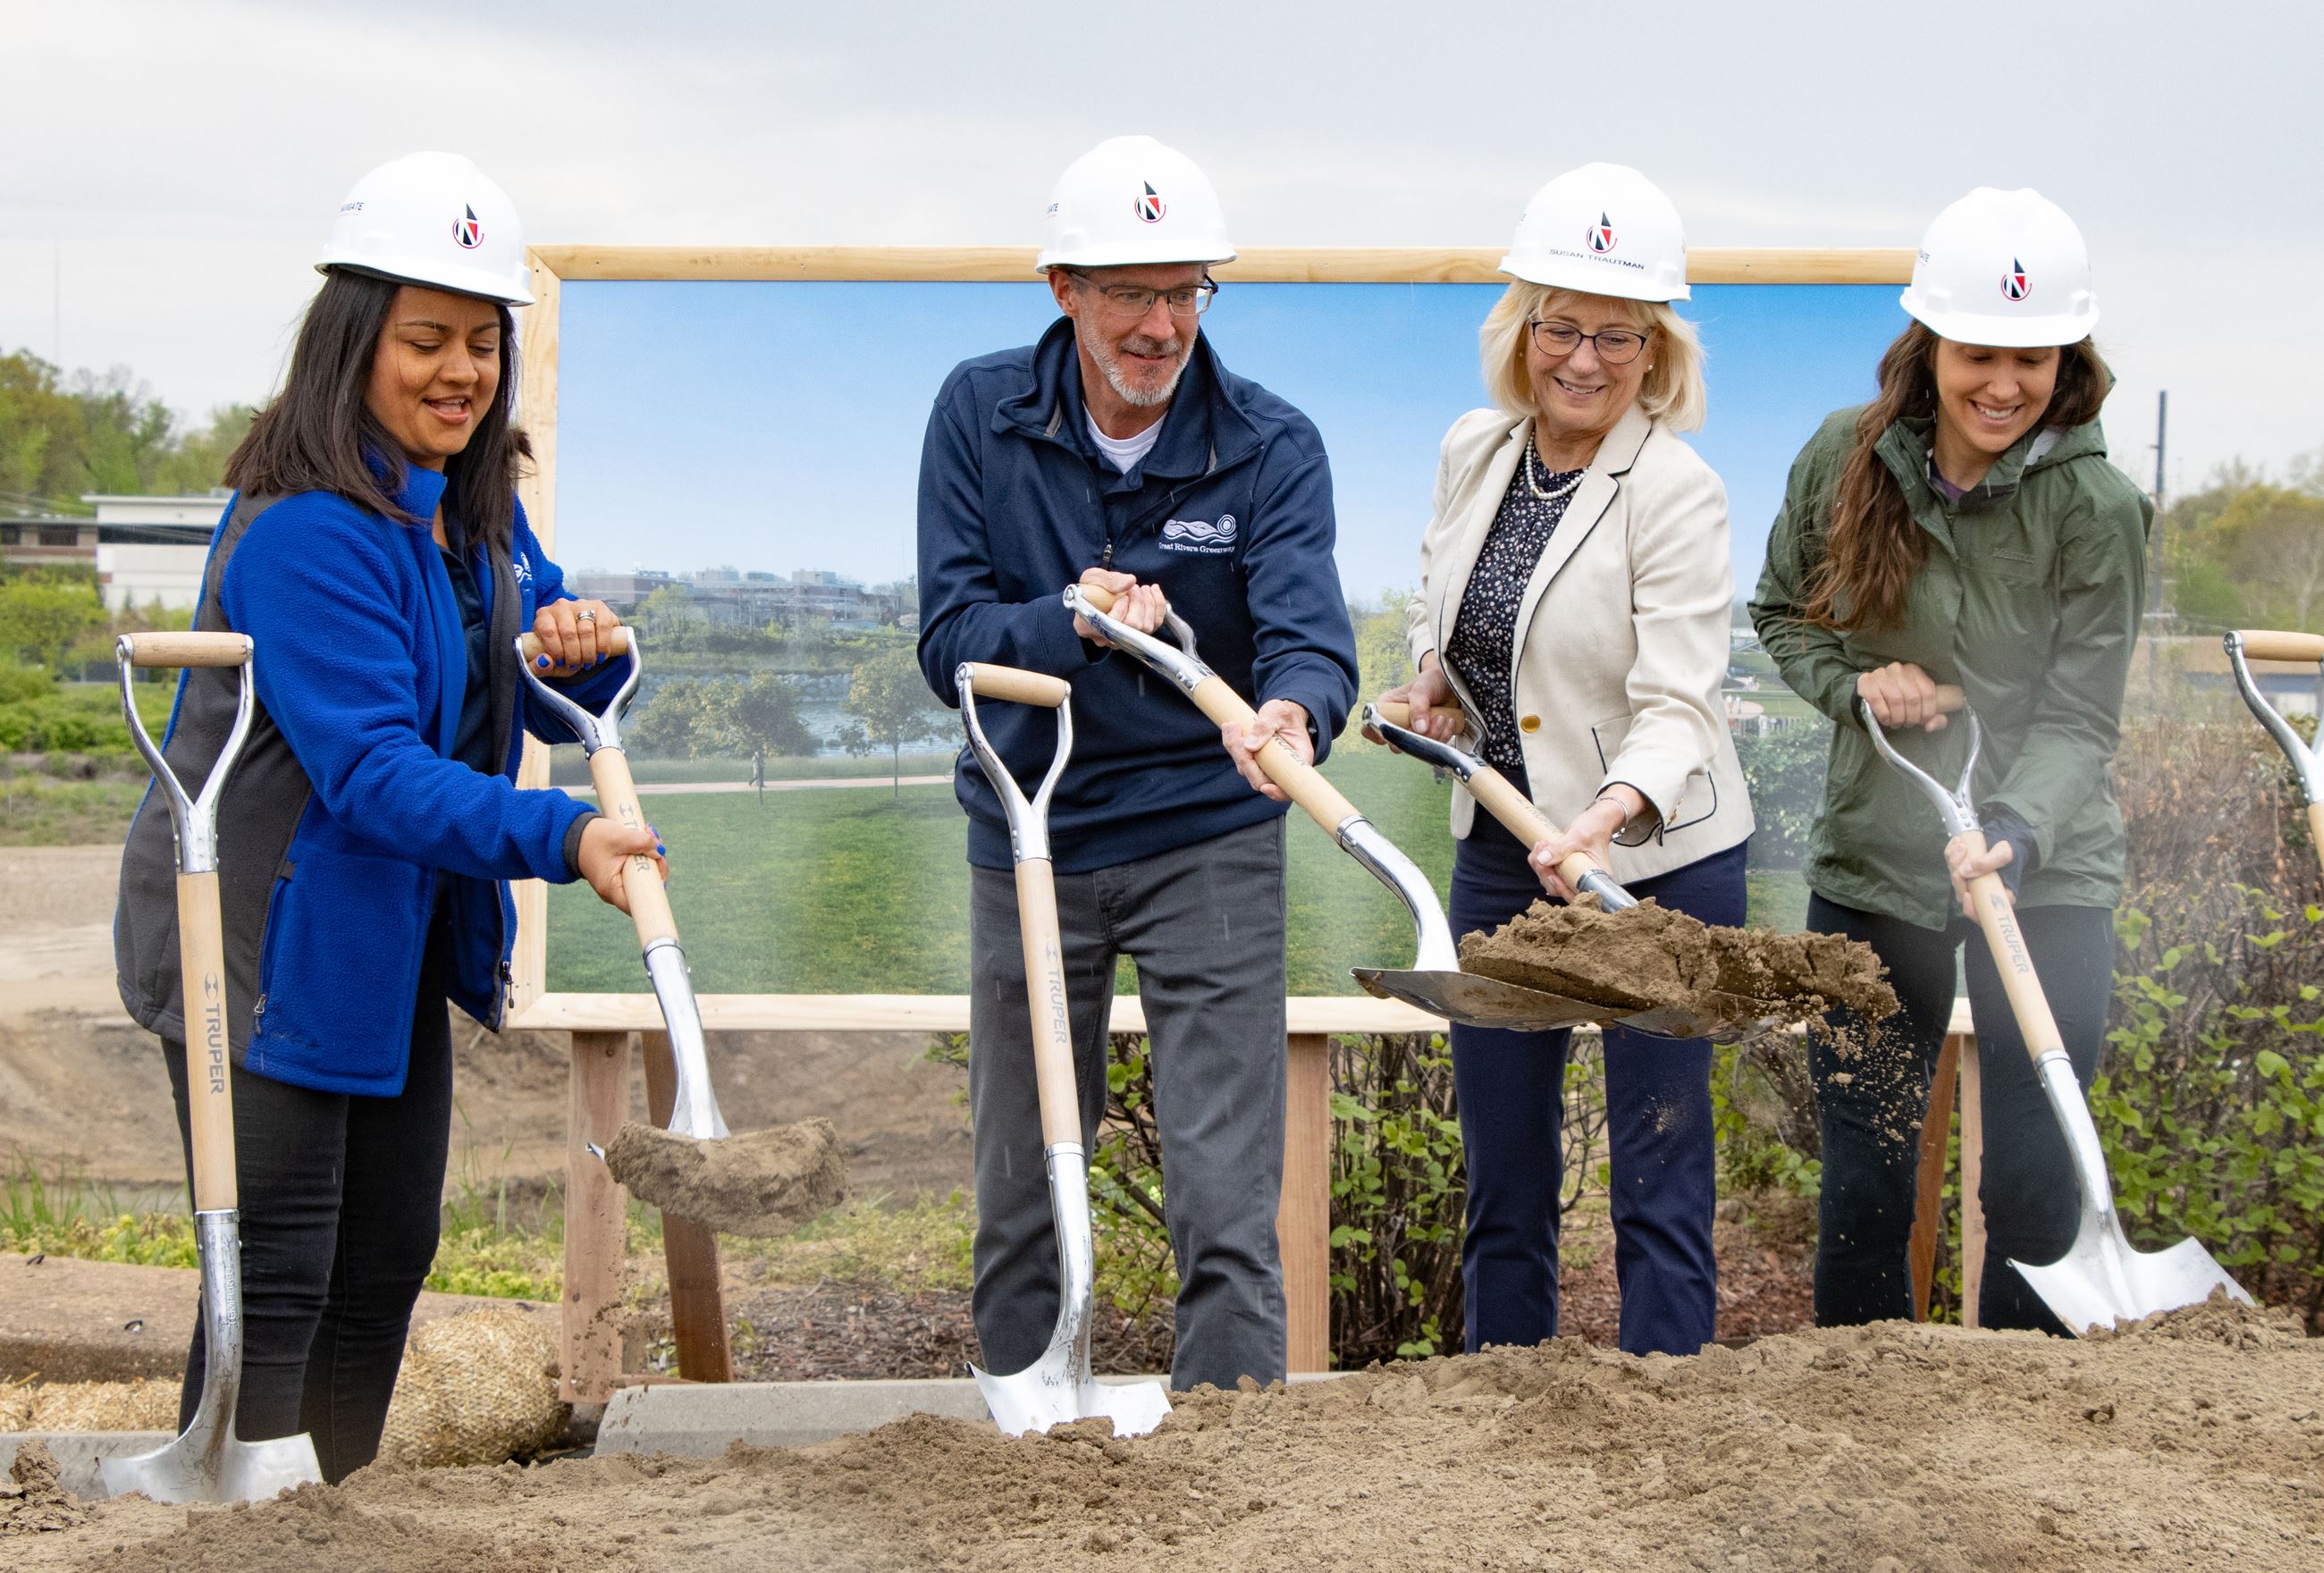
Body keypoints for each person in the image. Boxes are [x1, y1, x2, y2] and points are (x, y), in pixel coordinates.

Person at [114, 152, 662, 1481]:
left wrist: (576, 653)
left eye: (482, 343)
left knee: (385, 1256)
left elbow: (526, 673)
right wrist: (562, 839)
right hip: (257, 937)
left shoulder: (471, 513)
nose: (458, 372)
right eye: (425, 341)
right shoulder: (307, 531)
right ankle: (230, 1523)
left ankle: (331, 1516)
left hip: (387, 931)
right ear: (353, 341)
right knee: (280, 1265)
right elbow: (369, 771)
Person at [916, 134, 1359, 1390]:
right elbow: (948, 639)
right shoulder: (979, 413)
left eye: (1184, 293)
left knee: (1224, 1199)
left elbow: (1310, 642)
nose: (1161, 326)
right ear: (1064, 289)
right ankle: (1027, 1439)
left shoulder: (1271, 443)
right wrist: (1070, 616)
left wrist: (1291, 715)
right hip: (1029, 835)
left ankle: (1231, 1453)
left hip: (1205, 834)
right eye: (1130, 294)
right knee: (1022, 1178)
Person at [1749, 187, 2150, 1333]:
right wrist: (1854, 684)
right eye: (1978, 353)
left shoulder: (2098, 507)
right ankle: (1863, 1428)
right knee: (1865, 1184)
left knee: (2033, 1186)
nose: (2002, 385)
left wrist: (2014, 829)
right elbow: (1783, 613)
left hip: (2048, 874)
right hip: (1877, 868)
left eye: (2032, 358)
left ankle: (2011, 1433)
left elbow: (2082, 718)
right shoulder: (1844, 456)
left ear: (2065, 356)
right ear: (1927, 346)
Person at [1376, 164, 1755, 1358]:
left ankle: (1669, 1419)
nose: (1582, 360)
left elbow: (1679, 703)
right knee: (1504, 1173)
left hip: (1653, 865)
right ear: (1522, 328)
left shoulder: (1678, 493)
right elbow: (1454, 608)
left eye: (1616, 335)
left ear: (1656, 352)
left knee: (1658, 1172)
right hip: (1500, 853)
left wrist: (1602, 823)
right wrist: (1433, 680)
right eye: (1561, 327)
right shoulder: (1472, 449)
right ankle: (1509, 1413)